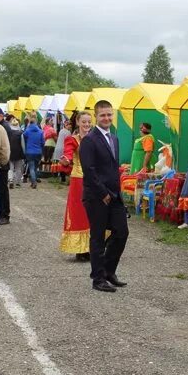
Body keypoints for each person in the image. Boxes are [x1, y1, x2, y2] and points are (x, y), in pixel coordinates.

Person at [79, 100, 129, 293]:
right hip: (96, 196)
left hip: (114, 195)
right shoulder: (89, 140)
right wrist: (103, 193)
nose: (106, 118)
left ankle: (109, 271)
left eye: (109, 114)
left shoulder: (114, 138)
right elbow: (89, 171)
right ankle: (97, 278)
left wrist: (116, 192)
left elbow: (112, 168)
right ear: (96, 116)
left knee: (121, 232)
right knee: (98, 237)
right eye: (102, 115)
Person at [59, 112, 93, 261]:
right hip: (79, 181)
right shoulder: (72, 140)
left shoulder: (94, 139)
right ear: (78, 122)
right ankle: (80, 249)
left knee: (94, 214)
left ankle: (92, 247)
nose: (86, 125)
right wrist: (66, 159)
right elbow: (67, 153)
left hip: (94, 180)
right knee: (79, 213)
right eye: (84, 122)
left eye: (89, 122)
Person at [0, 107, 12, 225]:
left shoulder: (4, 127)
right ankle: (0, 213)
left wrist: (2, 161)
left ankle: (4, 214)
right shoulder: (1, 126)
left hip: (2, 163)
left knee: (2, 190)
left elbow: (4, 147)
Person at [22, 115, 44, 189]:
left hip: (29, 151)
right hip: (38, 152)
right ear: (36, 122)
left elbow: (23, 138)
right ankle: (33, 181)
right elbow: (43, 142)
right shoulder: (40, 131)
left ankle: (33, 182)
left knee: (31, 167)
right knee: (35, 168)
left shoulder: (27, 131)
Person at [7, 118, 25, 189]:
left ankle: (10, 180)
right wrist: (24, 152)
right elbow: (23, 144)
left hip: (10, 151)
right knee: (18, 168)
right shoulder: (21, 133)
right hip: (19, 152)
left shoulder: (9, 133)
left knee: (10, 168)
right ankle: (17, 182)